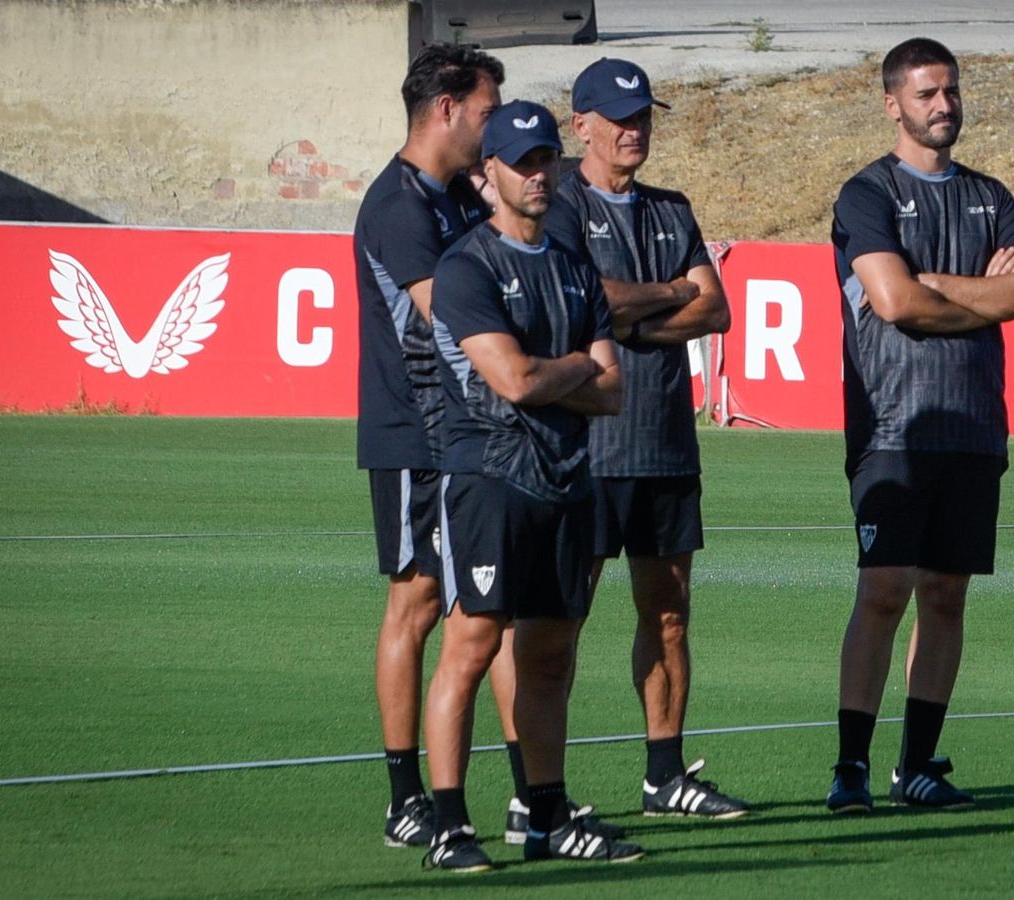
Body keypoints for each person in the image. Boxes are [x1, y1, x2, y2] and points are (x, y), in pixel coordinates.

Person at [422, 100, 643, 870]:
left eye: (547, 158)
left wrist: (570, 374)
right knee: (473, 643)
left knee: (549, 656)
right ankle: (449, 824)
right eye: (523, 162)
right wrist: (579, 367)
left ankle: (547, 814)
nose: (541, 173)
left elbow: (615, 392)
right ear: (489, 175)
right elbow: (511, 381)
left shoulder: (573, 262)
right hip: (489, 478)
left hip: (567, 479)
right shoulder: (466, 266)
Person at [826, 37, 1014, 814]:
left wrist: (937, 288)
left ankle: (916, 766)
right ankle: (850, 766)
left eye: (950, 91)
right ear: (893, 103)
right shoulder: (867, 194)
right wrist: (971, 295)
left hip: (975, 428)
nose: (943, 105)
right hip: (894, 427)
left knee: (946, 595)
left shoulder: (991, 195)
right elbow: (894, 303)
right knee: (883, 590)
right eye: (926, 94)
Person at [541, 56, 743, 819]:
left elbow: (716, 309)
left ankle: (665, 777)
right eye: (619, 117)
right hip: (585, 449)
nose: (634, 129)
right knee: (561, 623)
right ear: (581, 124)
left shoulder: (671, 207)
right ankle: (542, 793)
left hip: (663, 444)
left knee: (668, 614)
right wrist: (668, 293)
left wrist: (630, 312)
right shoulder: (559, 207)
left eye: (643, 115)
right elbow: (584, 299)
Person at [352, 42, 499, 850]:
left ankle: (524, 793)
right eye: (484, 110)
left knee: (485, 610)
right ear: (446, 109)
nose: (491, 125)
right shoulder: (399, 204)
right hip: (417, 433)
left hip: (469, 436)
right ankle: (405, 795)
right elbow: (454, 309)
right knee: (416, 604)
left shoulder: (452, 197)